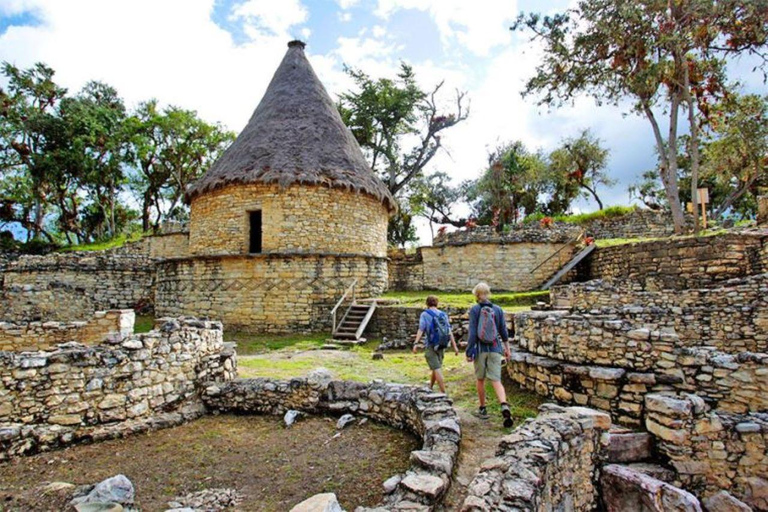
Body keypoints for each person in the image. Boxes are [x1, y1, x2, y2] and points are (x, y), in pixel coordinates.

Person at [466, 282, 514, 428]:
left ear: (476, 295)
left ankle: (482, 408)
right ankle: (504, 405)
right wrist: (507, 348)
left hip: (480, 350)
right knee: (496, 380)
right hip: (495, 348)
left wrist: (469, 351)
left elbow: (473, 333)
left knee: (480, 379)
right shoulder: (497, 310)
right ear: (488, 293)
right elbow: (503, 331)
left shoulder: (474, 310)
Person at [412, 295, 459, 393]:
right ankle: (431, 387)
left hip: (431, 344)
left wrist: (415, 343)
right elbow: (449, 331)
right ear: (437, 303)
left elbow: (421, 329)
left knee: (437, 368)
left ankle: (443, 393)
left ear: (427, 303)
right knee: (436, 366)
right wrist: (455, 347)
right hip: (442, 344)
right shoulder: (443, 314)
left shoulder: (425, 314)